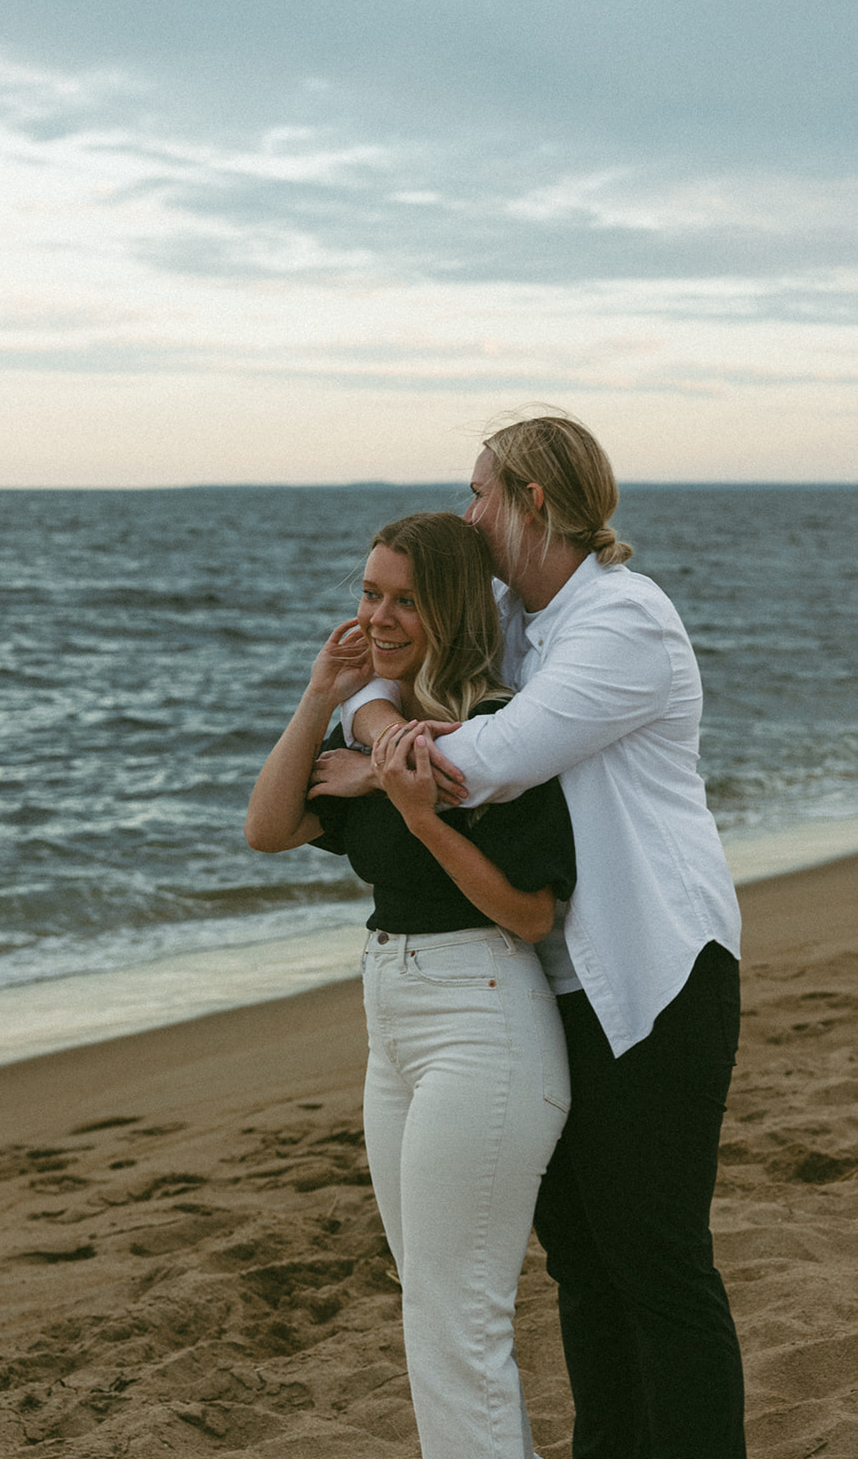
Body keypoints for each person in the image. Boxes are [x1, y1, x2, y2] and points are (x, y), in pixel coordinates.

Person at [326, 417, 746, 1459]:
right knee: (582, 1262)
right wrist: (384, 736)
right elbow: (388, 681)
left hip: (656, 977)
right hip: (553, 984)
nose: (467, 515)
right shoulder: (519, 618)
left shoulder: (622, 621)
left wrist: (395, 761)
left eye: (479, 495)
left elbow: (493, 758)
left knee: (654, 1257)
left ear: (534, 504)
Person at [246, 511, 576, 1459]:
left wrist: (414, 808)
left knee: (456, 1318)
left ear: (453, 607)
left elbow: (528, 914)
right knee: (429, 1300)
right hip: (392, 1020)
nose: (379, 616)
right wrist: (323, 694)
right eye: (368, 593)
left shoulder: (495, 733)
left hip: (482, 1022)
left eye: (404, 599)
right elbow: (268, 830)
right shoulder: (371, 733)